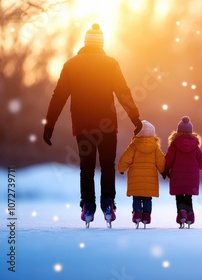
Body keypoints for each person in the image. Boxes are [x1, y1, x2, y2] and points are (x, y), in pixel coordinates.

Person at [42, 23, 143, 227]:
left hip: (83, 125)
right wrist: (135, 118)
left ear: (85, 43)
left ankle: (88, 204)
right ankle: (108, 203)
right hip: (107, 125)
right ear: (102, 44)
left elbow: (58, 96)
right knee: (107, 165)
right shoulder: (111, 64)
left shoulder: (71, 65)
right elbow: (123, 91)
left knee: (86, 167)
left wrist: (49, 125)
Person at [117, 120, 165, 228]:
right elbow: (161, 161)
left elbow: (125, 158)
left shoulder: (133, 146)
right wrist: (163, 171)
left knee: (137, 198)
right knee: (147, 199)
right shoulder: (155, 148)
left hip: (136, 180)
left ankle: (137, 214)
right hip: (150, 180)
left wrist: (121, 168)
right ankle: (146, 216)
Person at [163, 116, 202, 229]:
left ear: (178, 131)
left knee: (179, 197)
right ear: (191, 132)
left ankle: (181, 212)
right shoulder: (195, 147)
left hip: (177, 177)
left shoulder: (174, 145)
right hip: (191, 179)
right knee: (188, 197)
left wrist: (165, 169)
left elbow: (168, 160)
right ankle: (190, 215)